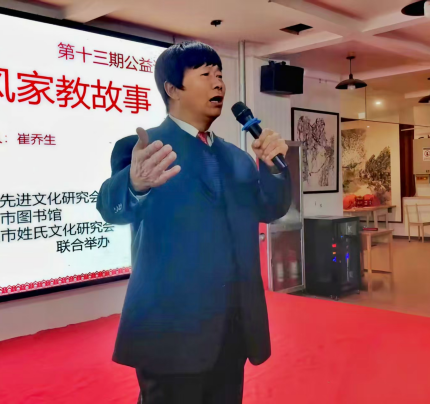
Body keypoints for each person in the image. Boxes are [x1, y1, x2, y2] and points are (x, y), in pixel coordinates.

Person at [96, 41, 291, 404]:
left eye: (220, 74)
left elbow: (270, 209)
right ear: (172, 88)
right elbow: (111, 209)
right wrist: (134, 184)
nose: (219, 83)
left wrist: (274, 170)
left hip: (233, 326)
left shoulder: (237, 158)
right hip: (171, 328)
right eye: (206, 74)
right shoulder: (144, 149)